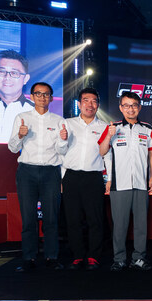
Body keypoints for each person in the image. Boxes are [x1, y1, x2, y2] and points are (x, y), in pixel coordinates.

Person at [7, 82, 63, 272]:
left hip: (50, 172)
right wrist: (20, 135)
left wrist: (63, 141)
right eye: (38, 93)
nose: (42, 97)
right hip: (27, 171)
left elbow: (62, 151)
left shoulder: (58, 121)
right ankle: (28, 258)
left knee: (51, 218)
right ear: (31, 97)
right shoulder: (22, 118)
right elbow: (12, 148)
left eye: (46, 94)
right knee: (28, 217)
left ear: (51, 98)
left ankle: (51, 257)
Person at [98, 91, 152, 272]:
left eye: (134, 105)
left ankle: (139, 258)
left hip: (140, 183)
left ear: (139, 107)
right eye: (126, 105)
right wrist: (109, 136)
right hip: (119, 184)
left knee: (141, 225)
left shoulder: (147, 128)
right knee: (120, 225)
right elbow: (102, 151)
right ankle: (119, 259)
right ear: (121, 108)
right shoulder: (113, 128)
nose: (130, 109)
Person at [60, 88, 108, 271]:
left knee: (95, 219)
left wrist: (109, 179)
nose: (90, 104)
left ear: (98, 105)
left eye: (94, 101)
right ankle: (78, 256)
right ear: (79, 104)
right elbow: (60, 152)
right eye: (86, 100)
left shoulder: (104, 127)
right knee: (73, 219)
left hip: (93, 177)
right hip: (71, 177)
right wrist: (62, 178)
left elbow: (108, 155)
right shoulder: (68, 124)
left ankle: (94, 256)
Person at [0, 49, 33, 143]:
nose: (7, 77)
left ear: (26, 79)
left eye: (14, 73)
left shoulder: (37, 111)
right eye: (2, 71)